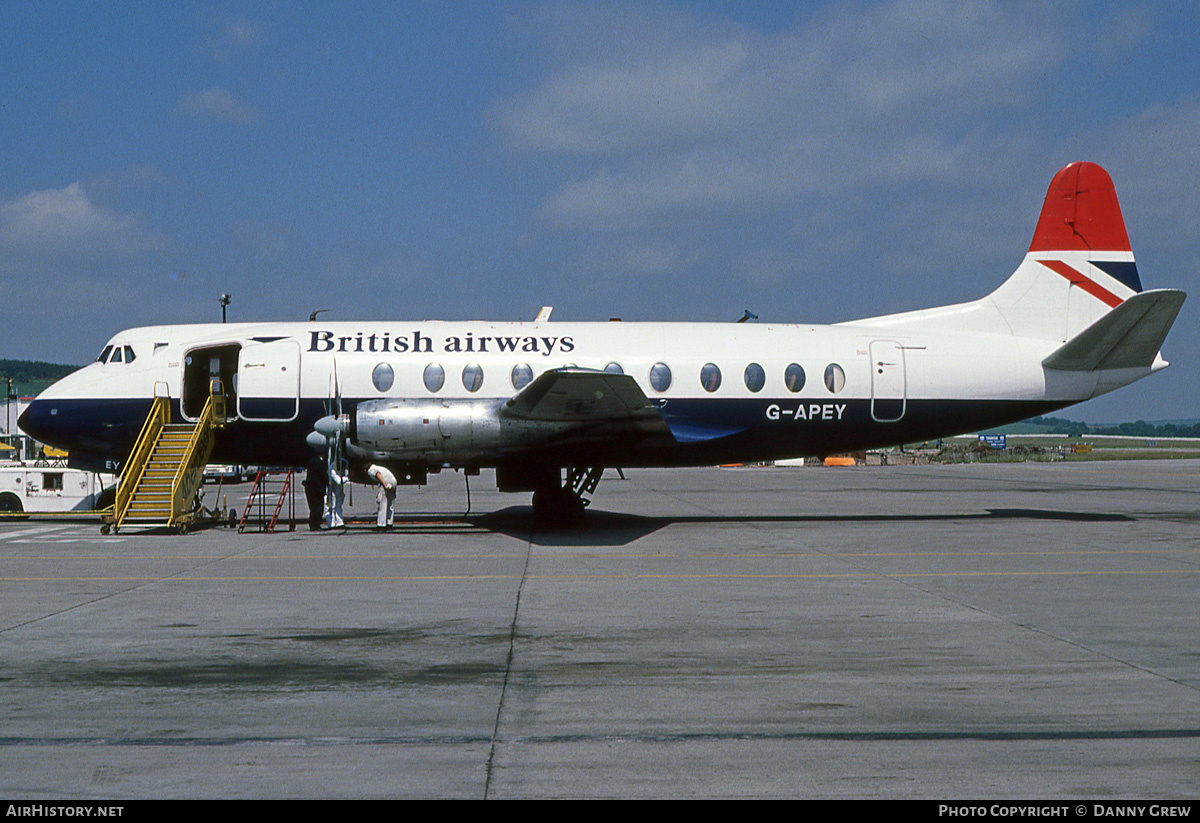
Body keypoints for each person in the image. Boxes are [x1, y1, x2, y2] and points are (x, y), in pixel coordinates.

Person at [367, 463, 397, 528]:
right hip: (393, 481)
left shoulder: (371, 469)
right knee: (390, 503)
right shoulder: (380, 467)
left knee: (382, 504)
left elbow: (378, 474)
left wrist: (385, 485)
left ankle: (381, 524)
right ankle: (389, 523)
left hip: (385, 482)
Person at [303, 454, 328, 531]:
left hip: (313, 489)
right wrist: (328, 482)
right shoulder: (318, 463)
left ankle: (315, 525)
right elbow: (323, 474)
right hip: (316, 489)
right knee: (317, 508)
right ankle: (314, 525)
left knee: (315, 508)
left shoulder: (313, 461)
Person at [327, 461, 346, 529]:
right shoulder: (333, 468)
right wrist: (348, 477)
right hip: (330, 487)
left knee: (339, 504)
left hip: (338, 488)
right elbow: (338, 480)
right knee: (330, 506)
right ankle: (331, 524)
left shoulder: (344, 463)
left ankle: (339, 522)